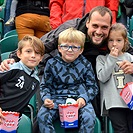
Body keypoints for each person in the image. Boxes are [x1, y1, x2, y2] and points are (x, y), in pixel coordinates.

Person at [1, 6, 133, 128]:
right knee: (43, 114)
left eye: (104, 27)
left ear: (110, 27)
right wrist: (14, 57)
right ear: (87, 23)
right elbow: (41, 45)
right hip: (54, 75)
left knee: (92, 115)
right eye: (95, 26)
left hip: (83, 79)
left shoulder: (111, 37)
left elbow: (128, 50)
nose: (99, 31)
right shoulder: (70, 30)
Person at [37, 27, 99, 133]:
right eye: (65, 46)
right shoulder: (51, 63)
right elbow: (45, 85)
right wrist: (46, 98)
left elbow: (93, 87)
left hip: (79, 100)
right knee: (42, 116)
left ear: (81, 50)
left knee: (89, 117)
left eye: (75, 47)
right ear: (59, 48)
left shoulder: (86, 64)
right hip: (56, 99)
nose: (70, 50)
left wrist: (83, 99)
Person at [96, 23, 133, 133]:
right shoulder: (101, 59)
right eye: (111, 40)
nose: (114, 44)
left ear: (125, 41)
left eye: (118, 40)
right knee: (121, 129)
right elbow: (102, 77)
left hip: (131, 101)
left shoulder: (130, 58)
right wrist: (112, 58)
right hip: (114, 102)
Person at [0, 35, 44, 115]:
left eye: (37, 53)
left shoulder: (36, 80)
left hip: (12, 119)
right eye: (28, 51)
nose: (33, 55)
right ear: (19, 54)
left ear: (41, 58)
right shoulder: (11, 69)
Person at [50, 0, 119, 29]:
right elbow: (56, 3)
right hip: (69, 27)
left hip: (96, 30)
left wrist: (110, 27)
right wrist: (57, 26)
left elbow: (112, 6)